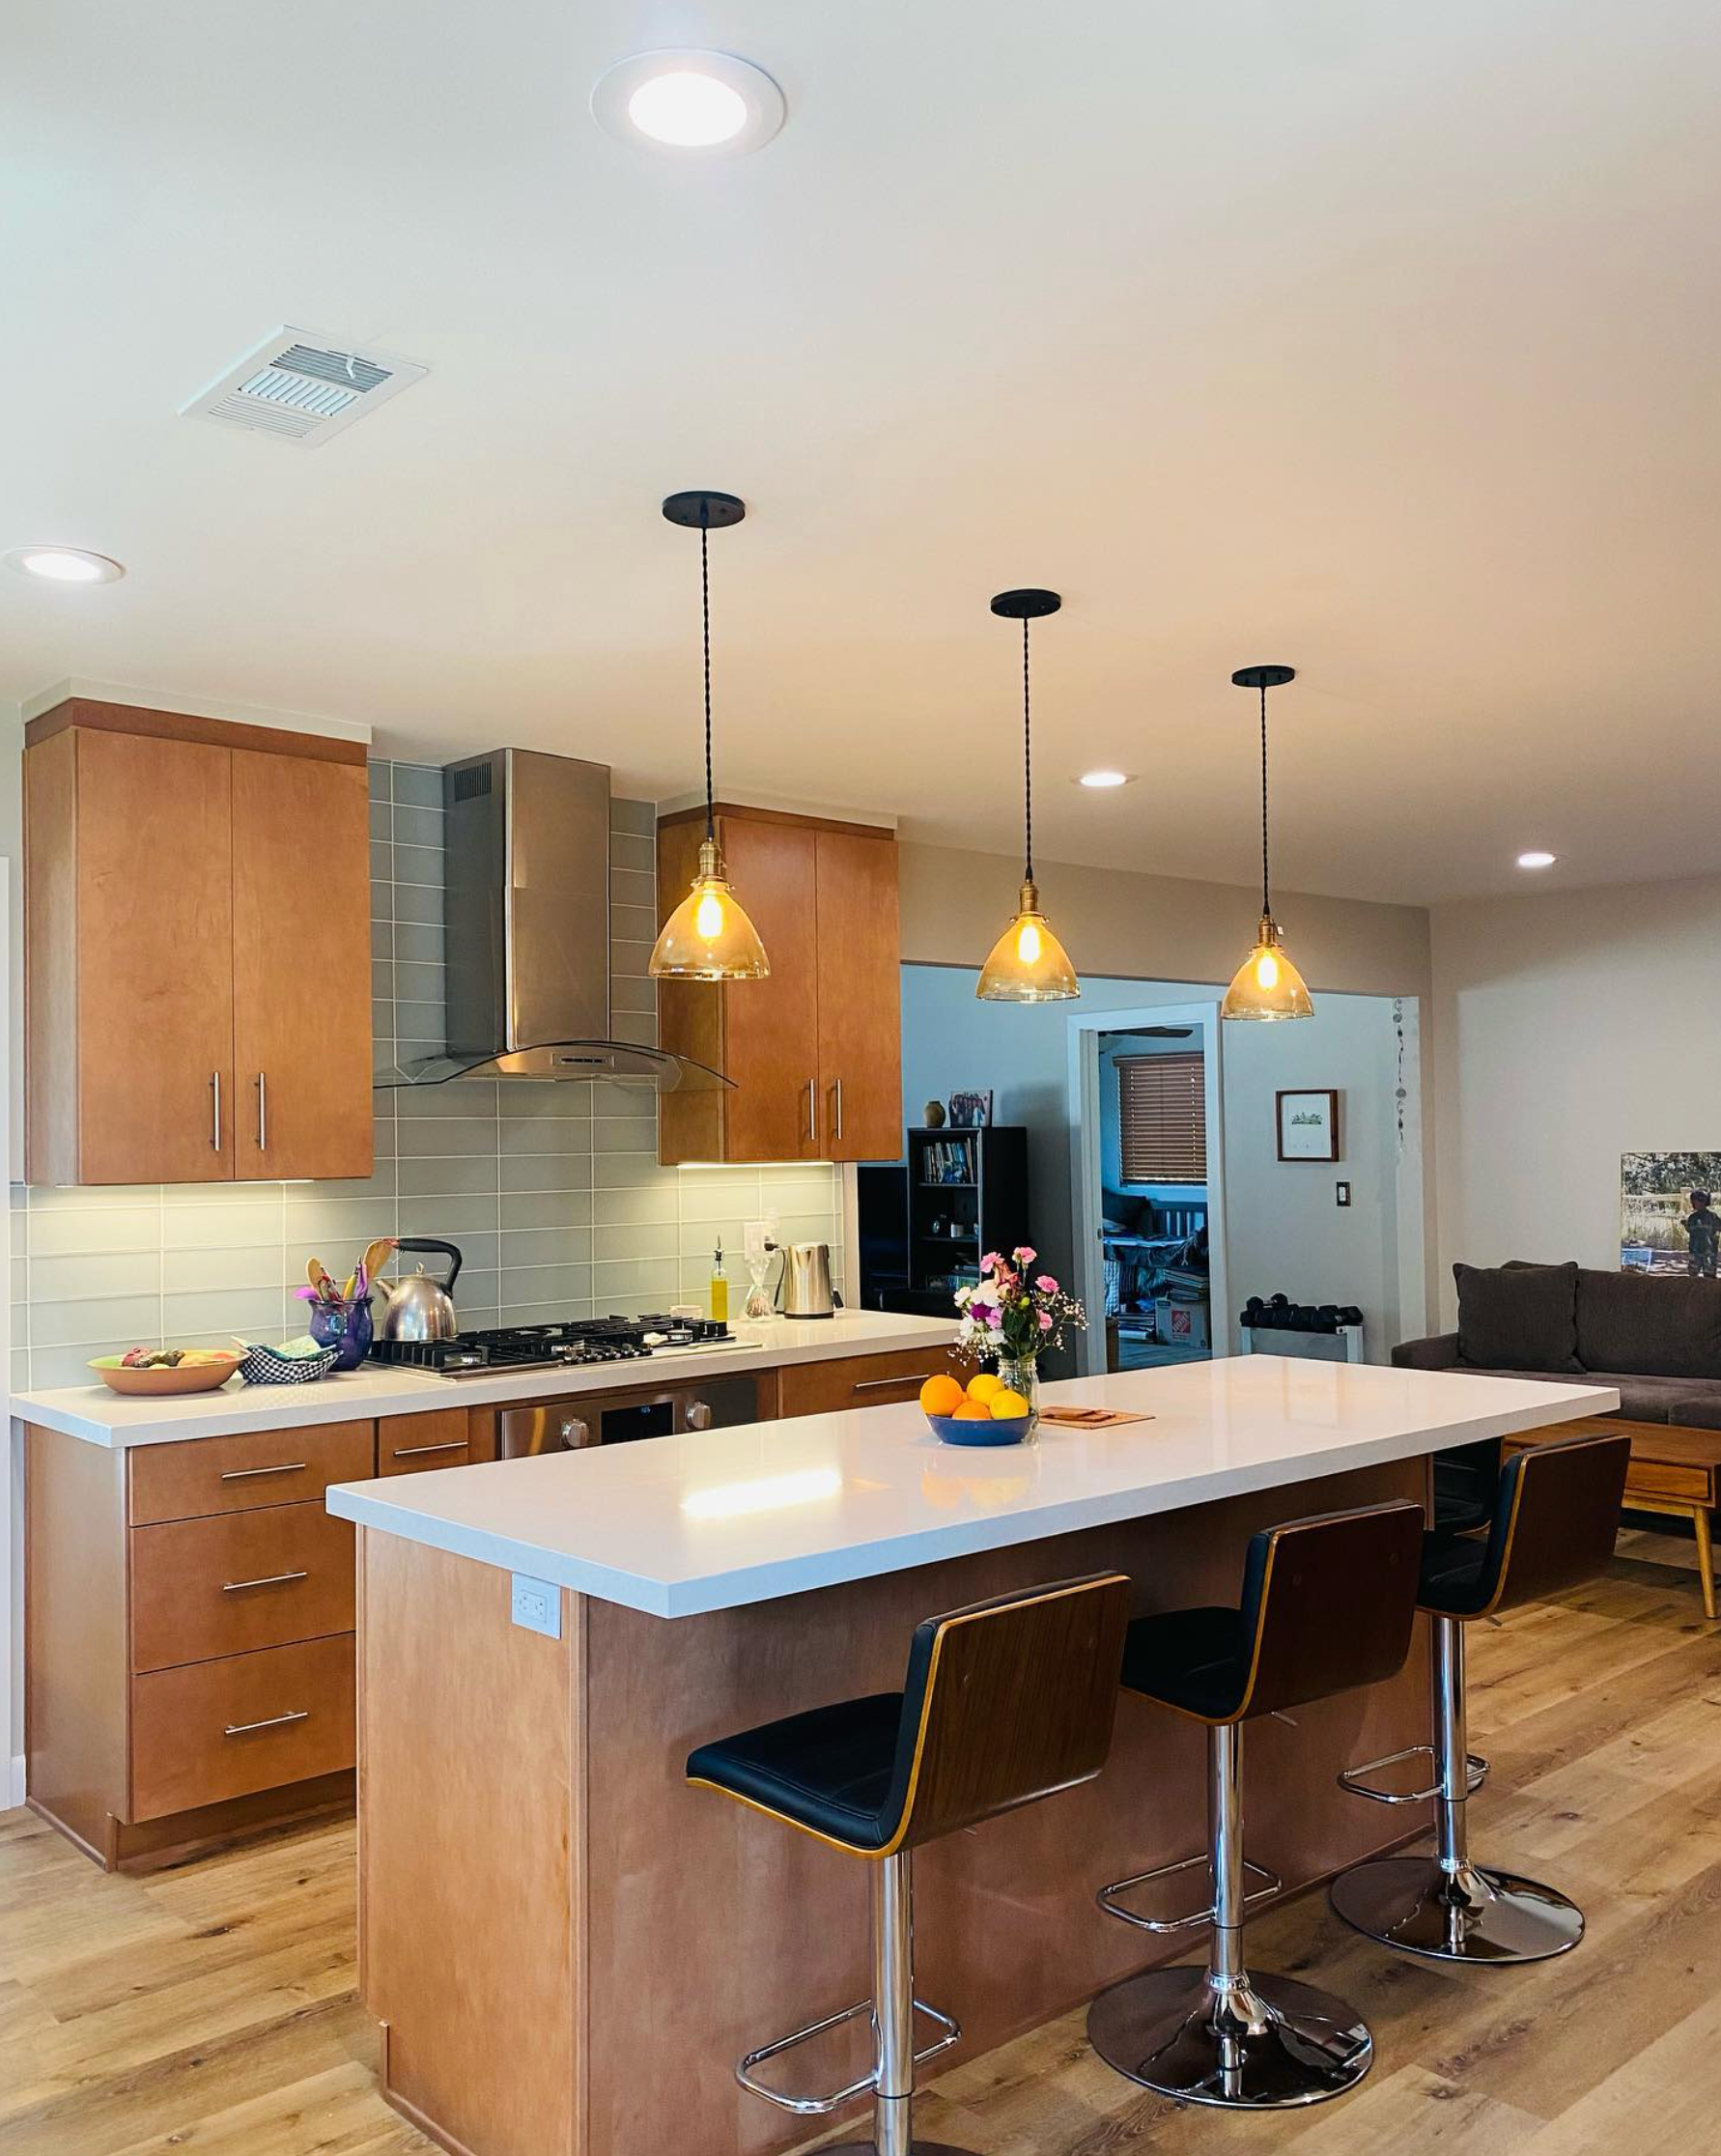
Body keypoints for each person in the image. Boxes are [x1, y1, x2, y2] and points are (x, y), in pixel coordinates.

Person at [1685, 1190, 1720, 1278]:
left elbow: (1719, 1229)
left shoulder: (1713, 1217)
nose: (1693, 1203)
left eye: (1695, 1201)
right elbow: (1690, 1230)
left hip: (1710, 1252)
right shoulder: (1692, 1218)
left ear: (1704, 1202)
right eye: (1693, 1201)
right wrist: (1685, 1225)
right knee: (1693, 1276)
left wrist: (1715, 1238)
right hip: (1695, 1250)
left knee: (1709, 1277)